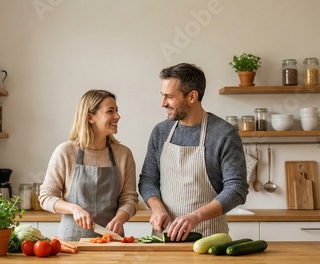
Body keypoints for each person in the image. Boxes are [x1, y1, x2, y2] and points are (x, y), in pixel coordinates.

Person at [138, 63, 249, 241]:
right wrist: (157, 208)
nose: (163, 103)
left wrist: (195, 217)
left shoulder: (223, 134)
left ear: (192, 96)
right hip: (164, 238)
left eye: (169, 97)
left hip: (209, 240)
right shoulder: (161, 132)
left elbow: (237, 189)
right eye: (163, 96)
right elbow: (148, 179)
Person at [39, 89, 139, 241]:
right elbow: (46, 197)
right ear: (90, 117)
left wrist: (120, 219)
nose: (117, 116)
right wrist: (74, 208)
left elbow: (129, 199)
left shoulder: (123, 154)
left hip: (112, 242)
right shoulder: (65, 152)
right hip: (72, 243)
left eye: (117, 111)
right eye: (110, 111)